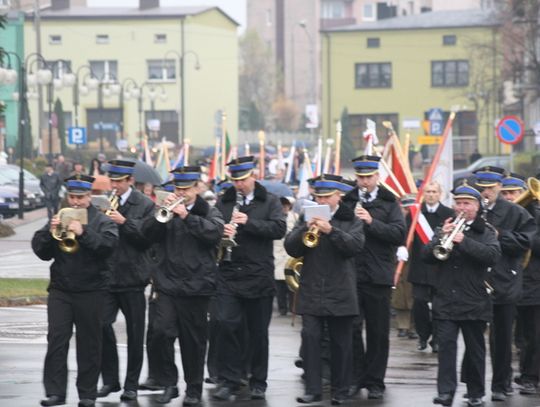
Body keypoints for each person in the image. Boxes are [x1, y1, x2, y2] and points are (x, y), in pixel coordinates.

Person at [32, 174, 118, 407]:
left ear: (90, 196)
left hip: (92, 290)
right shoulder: (60, 216)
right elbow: (41, 252)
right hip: (61, 289)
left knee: (89, 344)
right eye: (72, 196)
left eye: (80, 197)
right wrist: (49, 234)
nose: (76, 201)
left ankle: (87, 394)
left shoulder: (102, 220)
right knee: (57, 340)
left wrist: (84, 233)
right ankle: (55, 392)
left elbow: (108, 247)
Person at [141, 165, 224, 406]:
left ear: (197, 188)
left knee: (193, 341)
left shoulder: (208, 211)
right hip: (168, 284)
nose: (181, 192)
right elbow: (146, 234)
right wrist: (160, 214)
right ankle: (169, 383)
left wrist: (187, 216)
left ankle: (193, 389)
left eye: (186, 189)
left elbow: (213, 234)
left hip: (197, 287)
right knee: (160, 333)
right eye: (178, 188)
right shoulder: (166, 210)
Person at [285, 174, 364, 405]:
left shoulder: (351, 219)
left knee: (341, 344)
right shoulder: (307, 216)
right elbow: (291, 247)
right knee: (310, 341)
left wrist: (331, 231)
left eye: (326, 196)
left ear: (338, 196)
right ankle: (313, 388)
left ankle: (340, 390)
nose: (321, 200)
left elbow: (355, 246)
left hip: (340, 291)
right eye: (318, 196)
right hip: (311, 290)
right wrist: (303, 231)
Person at [212, 156, 286, 401]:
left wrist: (249, 222)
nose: (239, 184)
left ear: (253, 176)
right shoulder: (225, 201)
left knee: (257, 332)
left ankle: (258, 380)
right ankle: (230, 379)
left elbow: (278, 228)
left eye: (242, 179)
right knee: (225, 324)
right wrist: (221, 230)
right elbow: (211, 227)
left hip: (258, 275)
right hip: (229, 273)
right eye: (235, 180)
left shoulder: (271, 201)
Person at [425, 182, 501, 407]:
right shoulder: (445, 227)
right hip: (446, 298)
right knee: (446, 350)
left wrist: (464, 241)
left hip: (474, 299)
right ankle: (446, 392)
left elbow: (492, 255)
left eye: (466, 203)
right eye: (458, 203)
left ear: (476, 206)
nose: (461, 208)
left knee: (475, 350)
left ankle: (476, 393)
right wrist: (441, 237)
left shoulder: (485, 231)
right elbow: (426, 256)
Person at [466, 166, 535, 401]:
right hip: (475, 281)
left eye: (491, 188)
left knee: (502, 338)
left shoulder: (516, 212)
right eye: (482, 188)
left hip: (504, 280)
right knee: (473, 337)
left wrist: (500, 234)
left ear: (499, 186)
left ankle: (501, 384)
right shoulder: (472, 208)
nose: (486, 193)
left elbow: (526, 242)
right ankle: (473, 386)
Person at [342, 155, 406, 400]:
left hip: (378, 274)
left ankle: (376, 380)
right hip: (352, 274)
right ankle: (356, 377)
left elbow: (399, 234)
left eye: (369, 177)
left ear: (377, 177)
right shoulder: (348, 200)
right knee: (353, 329)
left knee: (378, 332)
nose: (364, 181)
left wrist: (371, 221)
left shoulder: (390, 203)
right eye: (360, 177)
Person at [96, 160, 155, 402]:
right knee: (100, 325)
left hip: (133, 277)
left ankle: (131, 384)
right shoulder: (104, 203)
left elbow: (146, 238)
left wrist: (124, 222)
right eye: (112, 181)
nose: (115, 185)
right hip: (108, 276)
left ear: (130, 181)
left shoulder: (144, 204)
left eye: (119, 181)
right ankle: (110, 380)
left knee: (134, 335)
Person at [407, 181, 454, 352]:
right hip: (419, 267)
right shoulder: (415, 214)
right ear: (423, 194)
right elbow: (405, 234)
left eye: (434, 191)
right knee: (419, 303)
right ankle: (422, 335)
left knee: (439, 306)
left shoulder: (448, 213)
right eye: (428, 192)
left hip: (440, 268)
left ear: (440, 193)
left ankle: (437, 338)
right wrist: (402, 248)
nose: (431, 195)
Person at [392, 195, 417, 340]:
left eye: (410, 208)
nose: (407, 211)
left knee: (412, 296)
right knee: (400, 297)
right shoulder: (397, 221)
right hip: (398, 263)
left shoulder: (417, 222)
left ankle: (412, 327)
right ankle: (402, 326)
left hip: (413, 262)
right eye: (405, 208)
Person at [274, 196, 297, 316]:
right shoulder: (275, 217)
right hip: (277, 254)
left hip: (290, 256)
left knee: (291, 284)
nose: (284, 207)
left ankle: (293, 308)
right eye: (282, 205)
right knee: (279, 285)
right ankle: (282, 308)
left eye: (286, 205)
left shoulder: (295, 217)